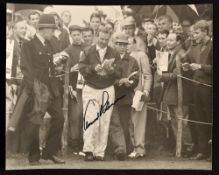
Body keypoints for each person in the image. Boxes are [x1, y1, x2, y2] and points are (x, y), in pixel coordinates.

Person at [19, 14, 65, 165]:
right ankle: (33, 156)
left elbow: (51, 65)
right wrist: (34, 89)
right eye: (52, 30)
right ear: (44, 29)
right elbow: (26, 68)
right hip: (36, 89)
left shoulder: (50, 44)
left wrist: (59, 62)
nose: (53, 33)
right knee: (35, 122)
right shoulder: (28, 45)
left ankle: (49, 152)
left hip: (51, 89)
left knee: (59, 117)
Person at [79, 26, 122, 161]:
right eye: (101, 39)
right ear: (97, 36)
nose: (103, 41)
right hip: (91, 88)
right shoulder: (88, 51)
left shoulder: (114, 53)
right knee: (91, 119)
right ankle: (88, 150)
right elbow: (81, 68)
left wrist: (111, 71)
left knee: (105, 121)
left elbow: (119, 72)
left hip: (107, 88)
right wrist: (92, 68)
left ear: (109, 38)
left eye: (106, 39)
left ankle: (99, 152)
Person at [158, 32, 194, 157]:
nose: (168, 42)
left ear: (178, 42)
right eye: (167, 40)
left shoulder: (182, 54)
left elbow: (177, 75)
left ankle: (189, 147)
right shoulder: (173, 53)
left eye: (171, 40)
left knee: (181, 121)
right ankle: (181, 147)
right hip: (173, 93)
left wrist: (162, 76)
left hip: (180, 93)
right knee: (175, 121)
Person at [182, 20, 212, 160]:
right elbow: (189, 59)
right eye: (193, 32)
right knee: (199, 119)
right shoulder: (196, 46)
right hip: (196, 86)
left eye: (197, 32)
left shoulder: (212, 45)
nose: (194, 35)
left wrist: (200, 67)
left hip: (208, 88)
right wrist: (188, 66)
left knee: (210, 119)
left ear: (205, 32)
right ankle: (203, 150)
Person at [108, 33, 139, 160]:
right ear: (114, 44)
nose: (121, 47)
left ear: (127, 46)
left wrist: (130, 83)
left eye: (124, 44)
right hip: (111, 95)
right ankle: (119, 149)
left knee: (125, 123)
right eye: (119, 44)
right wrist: (119, 82)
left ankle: (123, 149)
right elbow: (106, 78)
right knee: (114, 123)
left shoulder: (132, 61)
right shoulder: (109, 59)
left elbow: (136, 78)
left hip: (126, 96)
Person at [127, 37, 152, 158]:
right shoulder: (123, 56)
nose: (127, 45)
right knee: (130, 121)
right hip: (126, 93)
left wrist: (146, 91)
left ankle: (140, 149)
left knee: (139, 121)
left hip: (139, 93)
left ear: (135, 44)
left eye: (129, 43)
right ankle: (133, 147)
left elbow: (147, 75)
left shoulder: (141, 55)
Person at [62, 25, 85, 154]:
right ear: (70, 36)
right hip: (74, 87)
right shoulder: (68, 50)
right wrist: (71, 70)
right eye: (74, 35)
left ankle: (84, 142)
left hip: (87, 86)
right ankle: (74, 143)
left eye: (78, 34)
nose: (77, 37)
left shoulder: (87, 48)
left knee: (85, 114)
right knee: (75, 115)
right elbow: (62, 71)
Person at [6, 19, 28, 155]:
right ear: (14, 29)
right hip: (12, 83)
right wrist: (11, 82)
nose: (23, 30)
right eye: (21, 28)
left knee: (21, 115)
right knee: (10, 114)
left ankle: (19, 149)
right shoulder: (9, 43)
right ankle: (9, 148)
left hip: (23, 83)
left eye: (25, 28)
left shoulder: (26, 43)